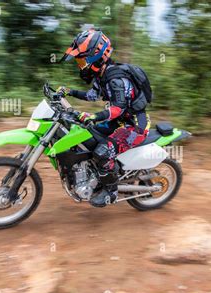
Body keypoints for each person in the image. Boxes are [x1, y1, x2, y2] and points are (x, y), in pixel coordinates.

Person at [58, 28, 151, 207]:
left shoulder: (115, 79)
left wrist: (95, 116)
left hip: (134, 126)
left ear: (96, 56)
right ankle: (96, 176)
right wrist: (68, 92)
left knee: (102, 152)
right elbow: (91, 96)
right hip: (119, 122)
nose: (81, 65)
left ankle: (111, 191)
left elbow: (118, 108)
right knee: (88, 136)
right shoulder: (102, 76)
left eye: (82, 60)